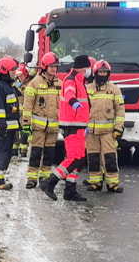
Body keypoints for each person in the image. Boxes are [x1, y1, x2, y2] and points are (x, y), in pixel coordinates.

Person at [45, 54, 92, 201]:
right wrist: (73, 102)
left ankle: (70, 190)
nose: (89, 71)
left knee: (78, 158)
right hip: (72, 124)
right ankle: (50, 182)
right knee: (75, 158)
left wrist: (85, 124)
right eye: (88, 68)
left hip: (78, 124)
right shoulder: (72, 80)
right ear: (83, 68)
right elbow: (69, 93)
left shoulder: (79, 79)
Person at [22, 52, 61, 189]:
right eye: (51, 66)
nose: (54, 69)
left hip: (53, 128)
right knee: (35, 153)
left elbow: (61, 105)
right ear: (45, 67)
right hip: (38, 128)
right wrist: (26, 124)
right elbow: (27, 106)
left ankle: (45, 177)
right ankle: (32, 178)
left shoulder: (59, 83)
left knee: (49, 154)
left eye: (56, 66)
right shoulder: (34, 83)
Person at [86, 59, 125, 192]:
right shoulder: (87, 89)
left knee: (110, 158)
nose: (102, 74)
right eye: (100, 71)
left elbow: (120, 111)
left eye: (105, 72)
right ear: (95, 72)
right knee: (93, 158)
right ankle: (95, 182)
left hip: (108, 132)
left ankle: (112, 183)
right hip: (91, 132)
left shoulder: (114, 90)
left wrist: (118, 128)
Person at [0, 57, 21, 190]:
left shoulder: (8, 86)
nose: (15, 72)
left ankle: (0, 178)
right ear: (5, 71)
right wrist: (2, 127)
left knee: (5, 154)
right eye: (13, 70)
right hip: (2, 129)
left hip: (9, 129)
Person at [13, 64, 31, 158]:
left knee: (25, 132)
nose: (20, 78)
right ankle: (14, 151)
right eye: (18, 76)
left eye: (22, 75)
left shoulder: (30, 85)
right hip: (16, 112)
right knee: (15, 131)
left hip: (26, 113)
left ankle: (23, 151)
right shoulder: (16, 85)